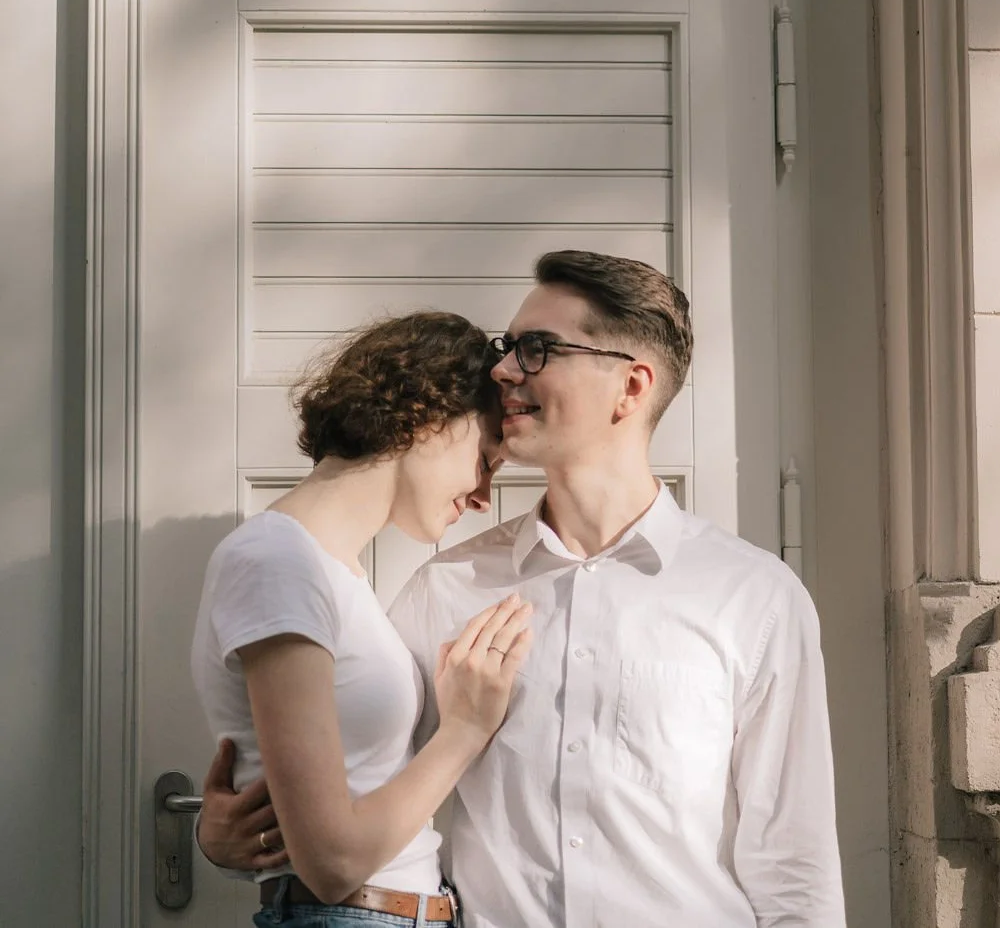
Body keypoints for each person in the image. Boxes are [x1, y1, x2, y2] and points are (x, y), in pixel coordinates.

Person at [201, 250, 847, 928]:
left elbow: (794, 865)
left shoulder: (754, 599)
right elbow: (352, 777)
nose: (504, 369)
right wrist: (225, 841)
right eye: (511, 347)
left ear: (631, 388)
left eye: (537, 349)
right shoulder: (447, 588)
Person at [191, 310, 532, 927]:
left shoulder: (326, 569)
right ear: (429, 419)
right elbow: (333, 862)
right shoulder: (277, 561)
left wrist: (222, 844)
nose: (484, 494)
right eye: (486, 456)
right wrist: (466, 729)